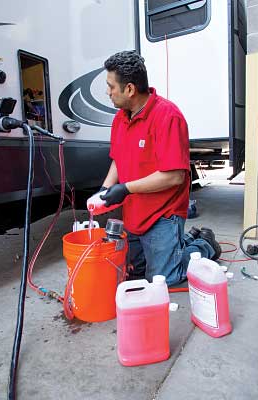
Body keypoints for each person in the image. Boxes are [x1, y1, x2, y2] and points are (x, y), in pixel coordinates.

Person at [99, 51, 221, 286]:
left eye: (111, 86)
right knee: (134, 270)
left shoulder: (168, 116)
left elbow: (174, 177)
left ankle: (204, 245)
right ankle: (180, 244)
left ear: (130, 89)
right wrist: (105, 188)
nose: (108, 92)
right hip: (135, 212)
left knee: (163, 278)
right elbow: (117, 159)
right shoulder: (120, 119)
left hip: (162, 213)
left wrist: (125, 188)